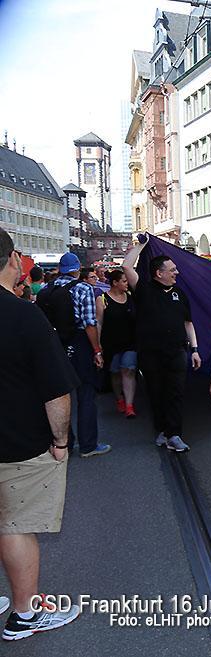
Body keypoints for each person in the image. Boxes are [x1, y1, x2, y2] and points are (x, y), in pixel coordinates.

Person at [0, 228, 82, 641]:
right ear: (12, 260)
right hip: (17, 443)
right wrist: (61, 441)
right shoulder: (22, 314)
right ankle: (25, 614)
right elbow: (56, 391)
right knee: (14, 525)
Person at [122, 238, 201, 452]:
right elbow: (126, 266)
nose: (177, 273)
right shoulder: (144, 290)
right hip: (151, 354)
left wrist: (194, 350)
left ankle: (174, 434)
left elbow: (188, 323)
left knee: (175, 392)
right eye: (172, 270)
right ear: (159, 273)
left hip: (177, 351)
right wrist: (141, 245)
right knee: (156, 392)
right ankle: (162, 431)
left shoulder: (179, 294)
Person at [37, 253, 111, 458]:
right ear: (77, 269)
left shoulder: (45, 290)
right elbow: (89, 323)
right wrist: (97, 350)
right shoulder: (83, 288)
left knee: (61, 394)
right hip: (79, 344)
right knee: (86, 394)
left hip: (54, 347)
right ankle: (88, 444)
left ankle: (65, 442)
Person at [96, 269, 138, 418]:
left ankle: (129, 405)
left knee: (128, 369)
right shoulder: (102, 299)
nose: (127, 284)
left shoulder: (131, 297)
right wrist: (98, 345)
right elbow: (99, 323)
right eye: (124, 281)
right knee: (115, 372)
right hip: (111, 344)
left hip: (130, 342)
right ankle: (119, 398)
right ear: (115, 283)